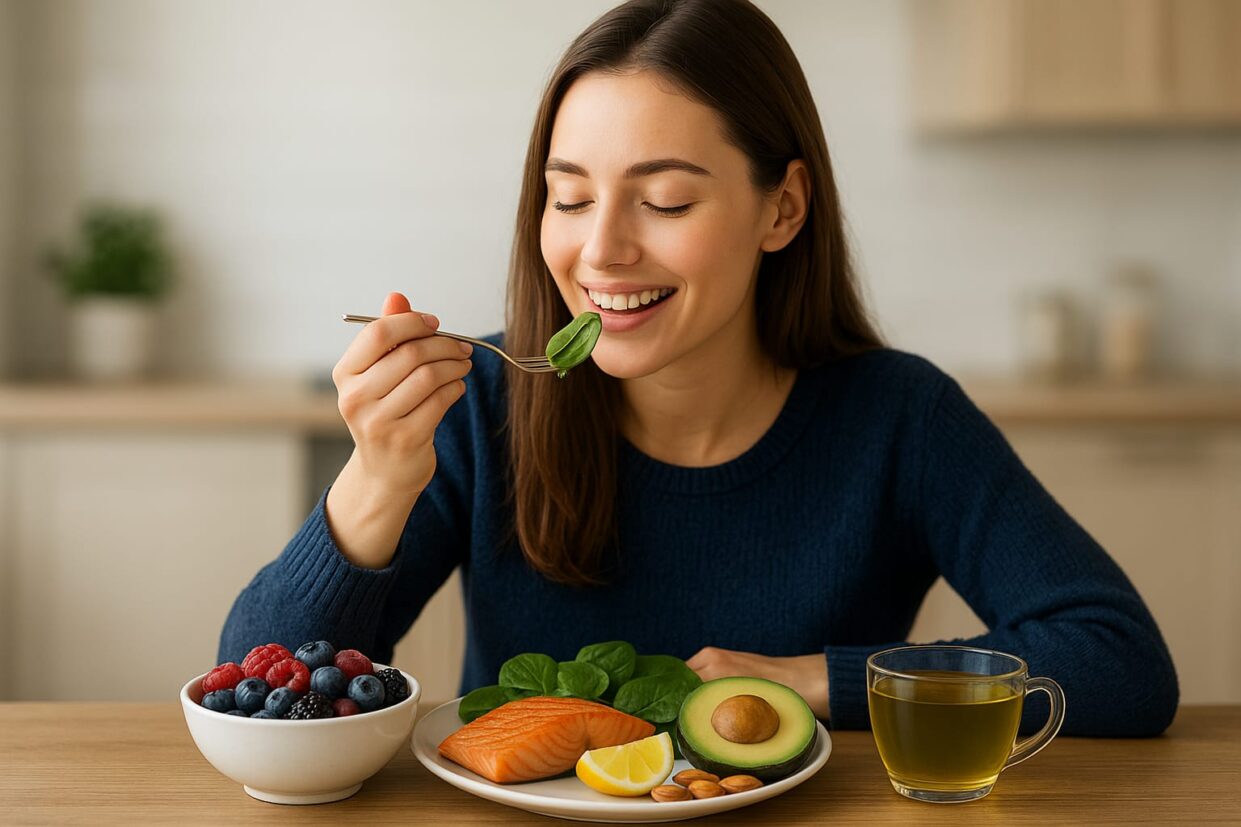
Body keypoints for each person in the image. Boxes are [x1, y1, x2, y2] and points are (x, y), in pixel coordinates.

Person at [219, 0, 1177, 735]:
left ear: (781, 210)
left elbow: (1119, 663)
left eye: (665, 201)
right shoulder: (485, 405)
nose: (600, 252)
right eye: (568, 197)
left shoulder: (899, 417)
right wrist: (377, 479)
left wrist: (814, 676)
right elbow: (252, 686)